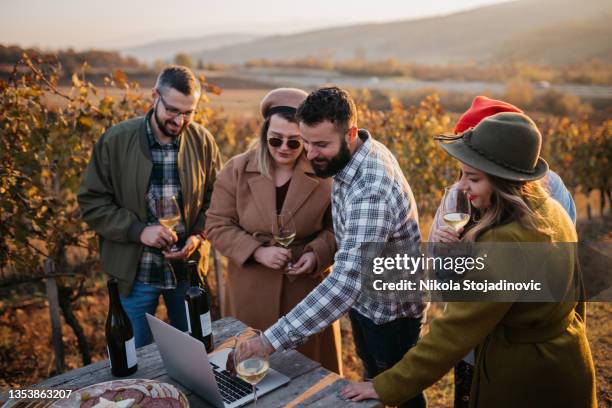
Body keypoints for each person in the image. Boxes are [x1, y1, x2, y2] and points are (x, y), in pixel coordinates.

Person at [342, 112, 597, 408]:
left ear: (505, 183)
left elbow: (453, 331)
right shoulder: (551, 211)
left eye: (473, 178)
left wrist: (388, 385)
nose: (462, 186)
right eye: (462, 174)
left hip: (525, 379)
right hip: (568, 361)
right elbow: (577, 296)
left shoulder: (506, 242)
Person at [240, 86, 428, 408]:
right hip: (368, 302)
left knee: (399, 394)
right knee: (375, 384)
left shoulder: (371, 190)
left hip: (390, 314)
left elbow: (345, 284)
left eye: (321, 144)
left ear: (350, 133)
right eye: (307, 142)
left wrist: (270, 341)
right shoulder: (359, 151)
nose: (310, 154)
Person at [428, 95, 577, 408]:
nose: (463, 182)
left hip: (515, 346)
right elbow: (440, 273)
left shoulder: (549, 201)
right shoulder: (459, 194)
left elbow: (552, 275)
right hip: (478, 344)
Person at [78, 66, 222, 347]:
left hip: (186, 269)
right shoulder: (116, 140)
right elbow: (92, 201)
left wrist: (198, 235)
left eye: (189, 112)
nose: (180, 120)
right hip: (135, 273)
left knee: (197, 349)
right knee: (133, 357)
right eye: (173, 110)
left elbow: (218, 199)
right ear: (154, 96)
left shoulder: (203, 141)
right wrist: (138, 231)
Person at [205, 88, 342, 374]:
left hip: (305, 293)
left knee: (307, 374)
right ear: (264, 133)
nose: (283, 148)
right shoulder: (237, 170)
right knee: (250, 373)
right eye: (275, 139)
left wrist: (317, 255)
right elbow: (216, 224)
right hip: (250, 291)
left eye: (294, 143)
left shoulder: (327, 174)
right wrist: (257, 251)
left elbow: (337, 228)